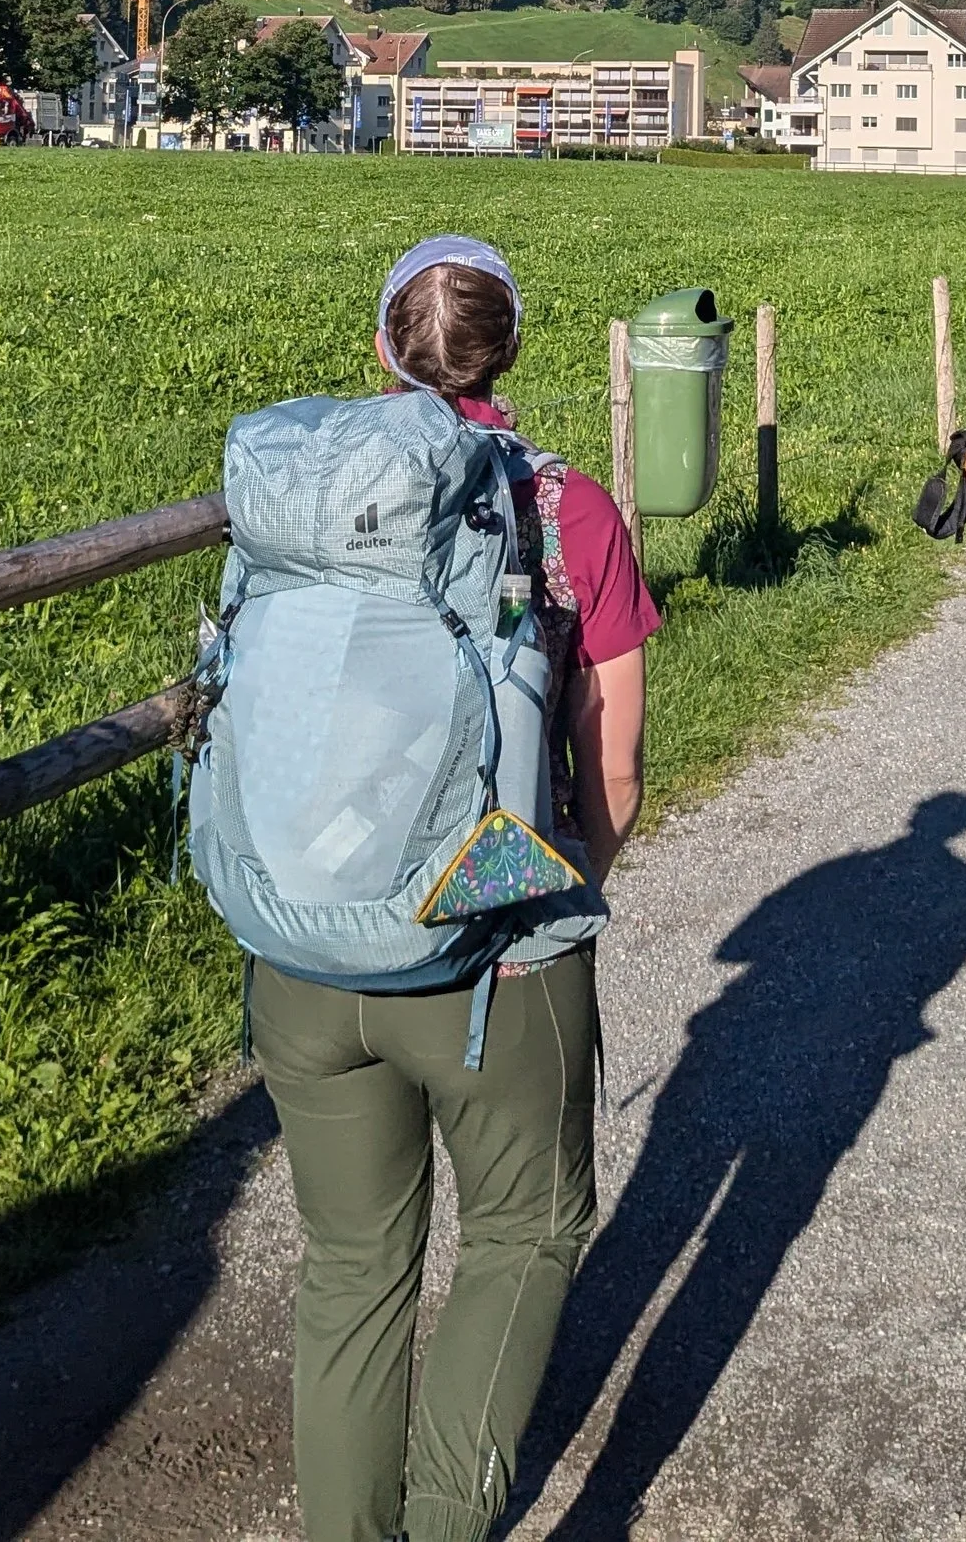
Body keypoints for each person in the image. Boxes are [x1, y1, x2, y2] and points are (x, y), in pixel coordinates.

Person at [246, 235, 660, 1542]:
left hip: (303, 940)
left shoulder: (308, 495)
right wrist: (553, 890)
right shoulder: (565, 505)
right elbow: (620, 773)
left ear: (381, 348)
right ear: (513, 354)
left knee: (354, 1265)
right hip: (486, 947)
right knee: (526, 1233)